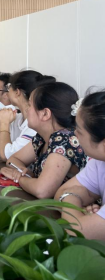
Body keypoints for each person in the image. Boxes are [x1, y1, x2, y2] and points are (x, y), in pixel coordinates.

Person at [1, 82, 88, 200]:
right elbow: (13, 159)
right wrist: (23, 172)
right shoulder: (42, 137)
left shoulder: (65, 139)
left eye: (30, 105)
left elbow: (42, 191)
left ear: (45, 113)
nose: (26, 109)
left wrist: (19, 178)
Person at [55, 91, 105, 240]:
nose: (74, 134)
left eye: (80, 131)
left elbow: (77, 231)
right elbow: (59, 194)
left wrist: (71, 198)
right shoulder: (99, 162)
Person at [0, 71, 56, 161]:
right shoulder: (15, 117)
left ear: (17, 92)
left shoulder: (35, 124)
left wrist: (4, 123)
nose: (7, 91)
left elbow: (6, 156)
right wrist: (1, 121)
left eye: (9, 87)